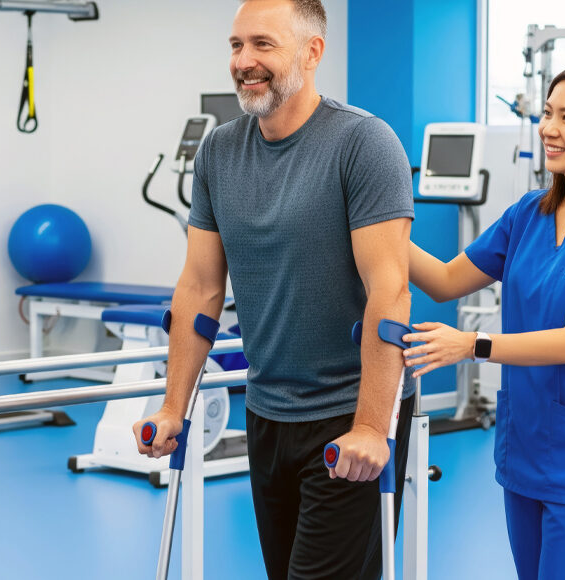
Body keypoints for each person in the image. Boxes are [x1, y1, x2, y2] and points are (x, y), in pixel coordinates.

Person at [131, 0, 416, 577]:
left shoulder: (363, 142)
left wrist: (369, 425)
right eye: (236, 46)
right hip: (266, 411)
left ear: (312, 52)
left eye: (263, 44)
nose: (244, 61)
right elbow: (201, 287)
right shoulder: (219, 151)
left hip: (348, 413)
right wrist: (172, 405)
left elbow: (390, 292)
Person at [403, 61, 565, 579]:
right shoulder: (528, 213)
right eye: (547, 113)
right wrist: (371, 224)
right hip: (526, 453)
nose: (548, 128)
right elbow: (445, 281)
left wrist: (471, 344)